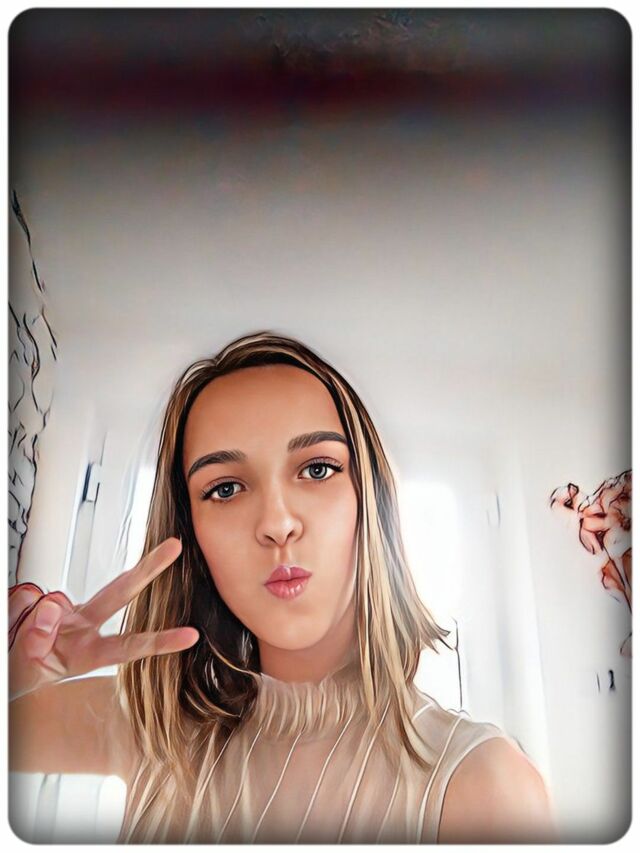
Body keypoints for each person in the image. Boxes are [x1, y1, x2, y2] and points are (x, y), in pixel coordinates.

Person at [9, 331, 557, 843]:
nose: (277, 523)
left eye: (317, 469)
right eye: (225, 488)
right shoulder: (152, 725)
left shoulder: (484, 785)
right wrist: (13, 680)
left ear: (370, 500)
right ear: (192, 536)